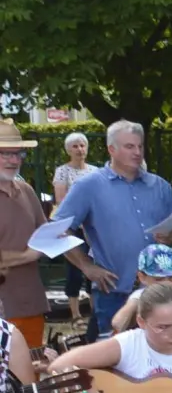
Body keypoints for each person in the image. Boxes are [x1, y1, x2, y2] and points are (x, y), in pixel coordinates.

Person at [54, 120, 172, 341]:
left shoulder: (160, 186)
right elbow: (58, 231)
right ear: (111, 149)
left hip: (160, 292)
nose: (137, 152)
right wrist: (87, 266)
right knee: (116, 364)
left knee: (162, 360)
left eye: (140, 146)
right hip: (114, 292)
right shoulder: (89, 186)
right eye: (129, 147)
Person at [0, 121, 48, 348]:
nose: (14, 160)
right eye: (5, 154)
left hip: (30, 302)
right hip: (3, 306)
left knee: (32, 375)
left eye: (18, 153)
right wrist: (28, 256)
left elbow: (45, 233)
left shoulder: (26, 190)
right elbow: (34, 251)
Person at [51, 131, 96, 328]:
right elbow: (62, 202)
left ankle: (95, 312)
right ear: (68, 150)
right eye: (75, 146)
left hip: (93, 227)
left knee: (95, 267)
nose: (80, 149)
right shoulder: (62, 171)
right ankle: (75, 314)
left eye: (82, 145)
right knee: (74, 270)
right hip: (72, 226)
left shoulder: (95, 171)